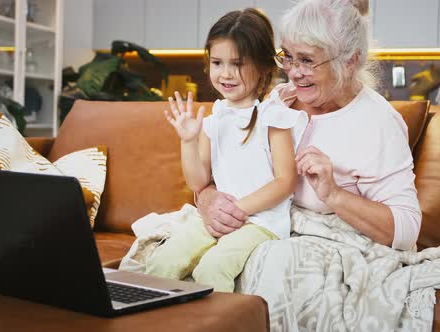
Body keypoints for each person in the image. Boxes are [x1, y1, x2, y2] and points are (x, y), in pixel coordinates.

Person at [197, 0, 421, 254]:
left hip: (325, 247)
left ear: (350, 61)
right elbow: (222, 171)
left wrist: (334, 194)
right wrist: (207, 200)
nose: (293, 73)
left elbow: (406, 230)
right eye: (289, 57)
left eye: (306, 60)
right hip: (258, 232)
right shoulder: (279, 101)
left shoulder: (379, 123)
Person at [145, 8, 307, 293]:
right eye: (218, 62)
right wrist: (187, 141)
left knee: (213, 267)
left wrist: (236, 211)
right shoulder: (215, 117)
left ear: (264, 67)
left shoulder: (274, 116)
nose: (226, 73)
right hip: (219, 217)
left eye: (238, 63)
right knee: (162, 260)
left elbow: (285, 181)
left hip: (260, 222)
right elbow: (198, 182)